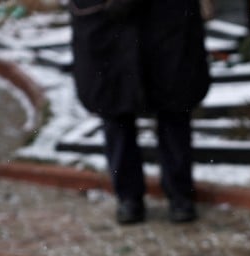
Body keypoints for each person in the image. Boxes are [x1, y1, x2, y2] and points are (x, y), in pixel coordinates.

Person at [69, 0, 211, 224]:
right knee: (116, 111)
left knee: (174, 105)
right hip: (107, 21)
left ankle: (180, 193)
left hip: (166, 19)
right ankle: (128, 196)